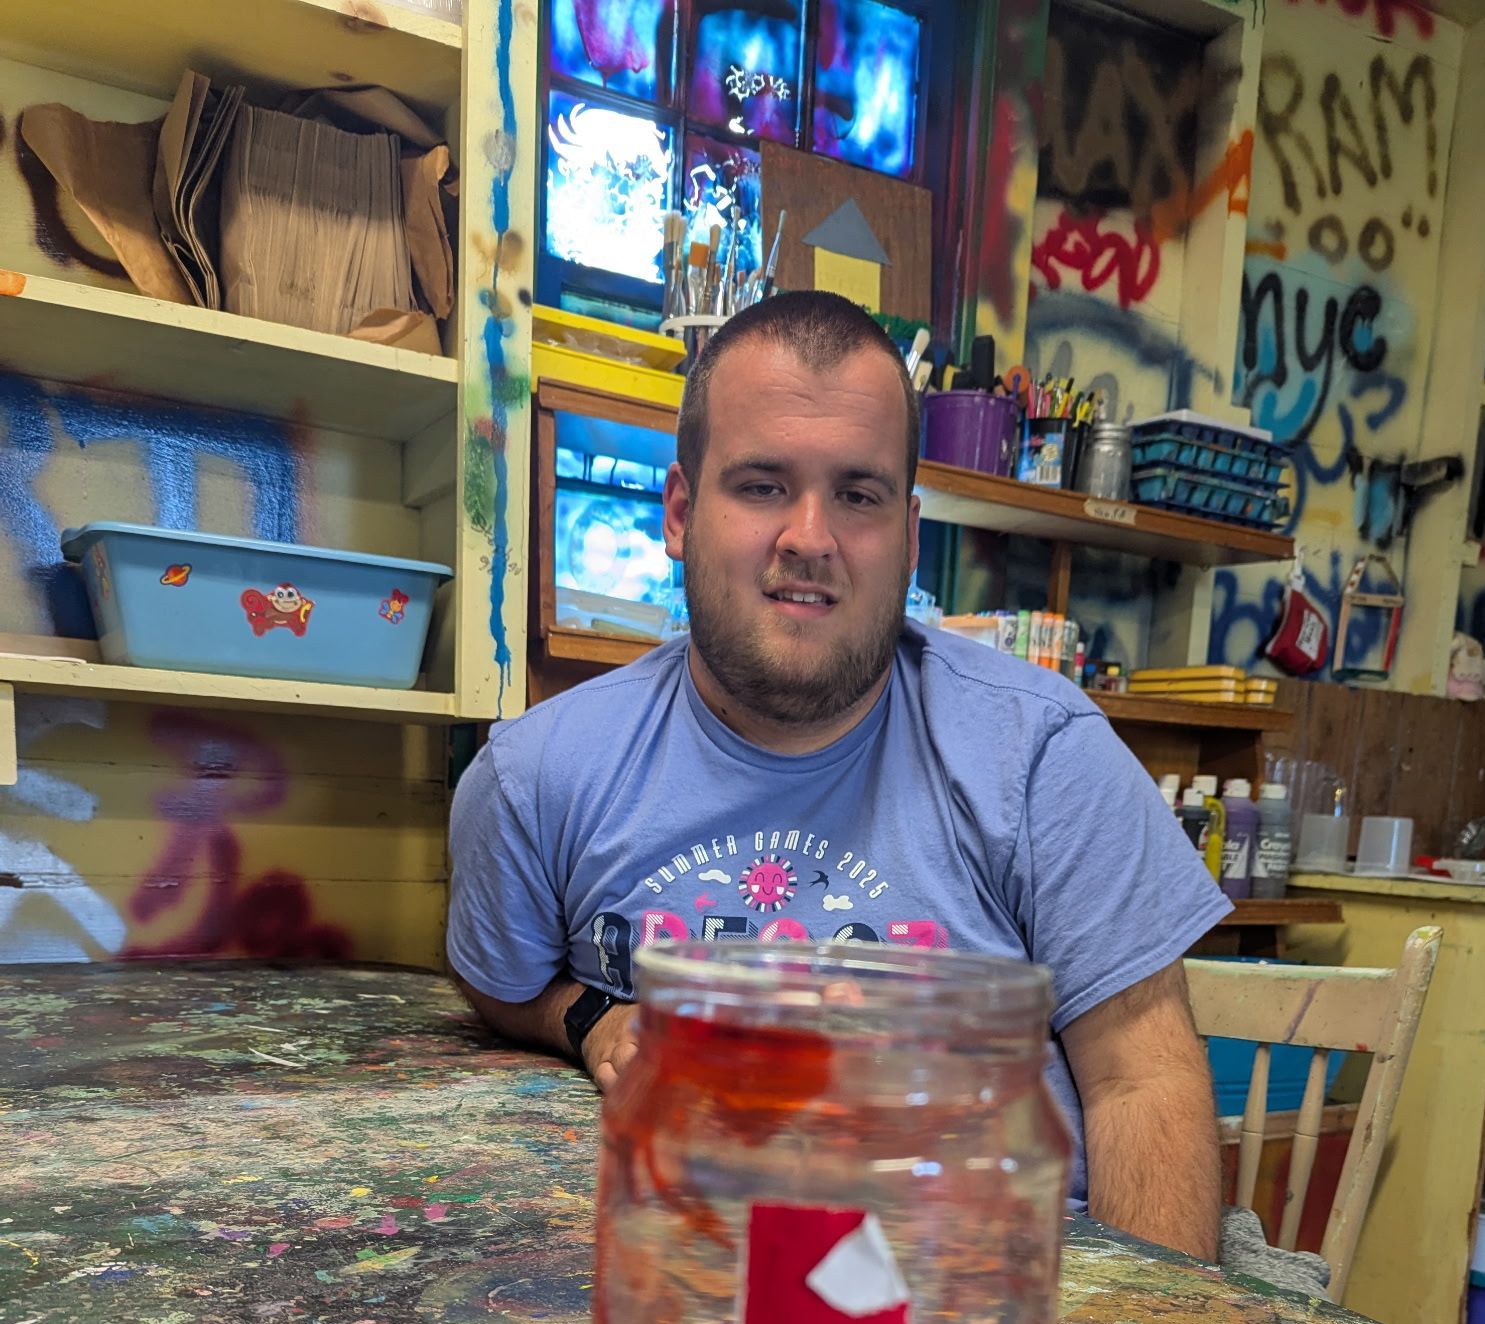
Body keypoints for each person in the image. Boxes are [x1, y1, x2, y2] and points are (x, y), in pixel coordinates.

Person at [448, 291, 1227, 1260]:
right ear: (681, 513)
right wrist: (589, 1014)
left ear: (906, 529)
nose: (810, 536)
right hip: (674, 1321)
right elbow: (500, 981)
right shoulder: (533, 780)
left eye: (856, 495)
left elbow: (1142, 1083)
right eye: (764, 484)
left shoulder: (1046, 758)